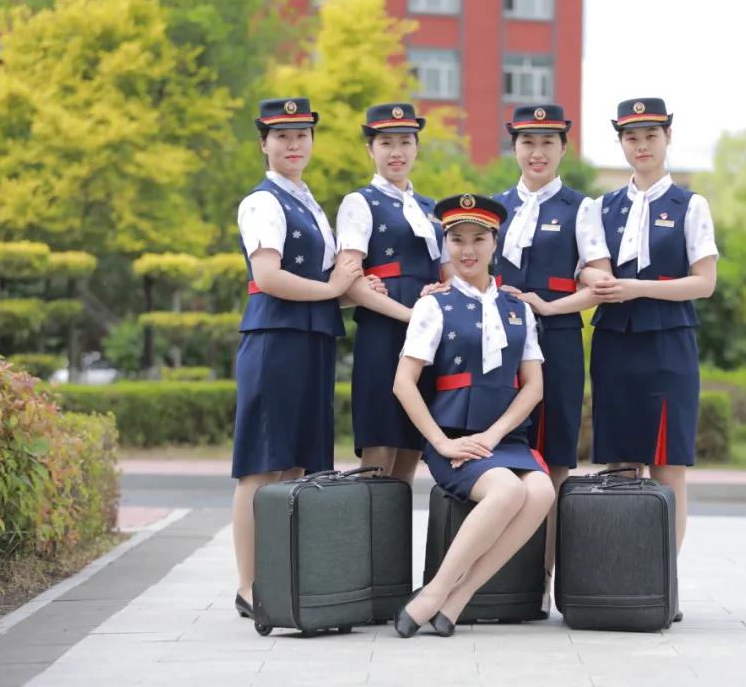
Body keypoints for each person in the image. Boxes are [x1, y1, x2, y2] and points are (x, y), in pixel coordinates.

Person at [230, 97, 374, 620]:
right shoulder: (262, 201)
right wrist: (334, 287)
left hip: (312, 338)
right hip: (275, 340)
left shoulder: (308, 202)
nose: (293, 144)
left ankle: (283, 581)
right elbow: (268, 277)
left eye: (302, 135)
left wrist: (350, 291)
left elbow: (321, 283)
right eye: (282, 135)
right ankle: (249, 587)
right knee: (261, 467)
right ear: (263, 143)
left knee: (295, 465)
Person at [391, 194, 556, 637]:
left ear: (494, 243)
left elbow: (534, 387)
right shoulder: (433, 305)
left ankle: (458, 599)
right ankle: (434, 594)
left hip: (503, 440)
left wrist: (496, 434)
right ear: (445, 244)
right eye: (457, 240)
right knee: (507, 490)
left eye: (478, 239)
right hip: (453, 439)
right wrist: (441, 443)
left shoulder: (518, 309)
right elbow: (403, 383)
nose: (467, 250)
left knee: (542, 491)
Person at [584, 98, 719, 623]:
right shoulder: (601, 207)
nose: (641, 146)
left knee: (668, 466)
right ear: (620, 142)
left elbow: (704, 283)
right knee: (621, 465)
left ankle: (663, 582)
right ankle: (624, 580)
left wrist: (638, 287)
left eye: (650, 135)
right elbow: (594, 271)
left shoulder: (690, 204)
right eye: (631, 137)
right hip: (615, 342)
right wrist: (597, 279)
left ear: (667, 138)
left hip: (668, 344)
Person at [491, 103, 612, 583]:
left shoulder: (581, 208)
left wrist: (549, 306)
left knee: (556, 458)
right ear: (514, 148)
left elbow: (599, 281)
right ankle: (504, 579)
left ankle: (543, 576)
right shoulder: (494, 207)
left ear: (563, 148)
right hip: (498, 343)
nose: (537, 152)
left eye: (547, 142)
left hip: (558, 339)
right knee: (502, 451)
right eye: (527, 142)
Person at [336, 103, 451, 484]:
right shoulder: (360, 202)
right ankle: (368, 525)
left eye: (405, 142)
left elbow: (450, 273)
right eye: (386, 143)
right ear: (370, 149)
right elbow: (349, 277)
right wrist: (411, 316)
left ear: (417, 148)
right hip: (383, 330)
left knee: (411, 444)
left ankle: (396, 526)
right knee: (381, 443)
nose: (396, 152)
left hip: (427, 336)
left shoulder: (432, 209)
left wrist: (444, 298)